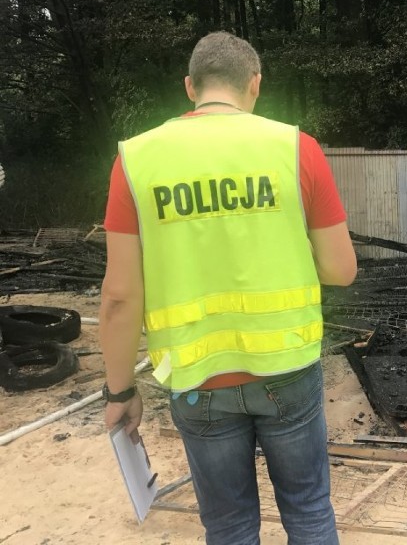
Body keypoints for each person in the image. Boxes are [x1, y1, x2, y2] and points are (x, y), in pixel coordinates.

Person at [98, 31, 356, 545]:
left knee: (230, 525)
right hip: (286, 368)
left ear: (191, 86)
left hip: (198, 382)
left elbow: (120, 297)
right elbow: (340, 270)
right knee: (307, 511)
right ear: (255, 85)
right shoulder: (294, 148)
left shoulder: (136, 161)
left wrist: (119, 389)